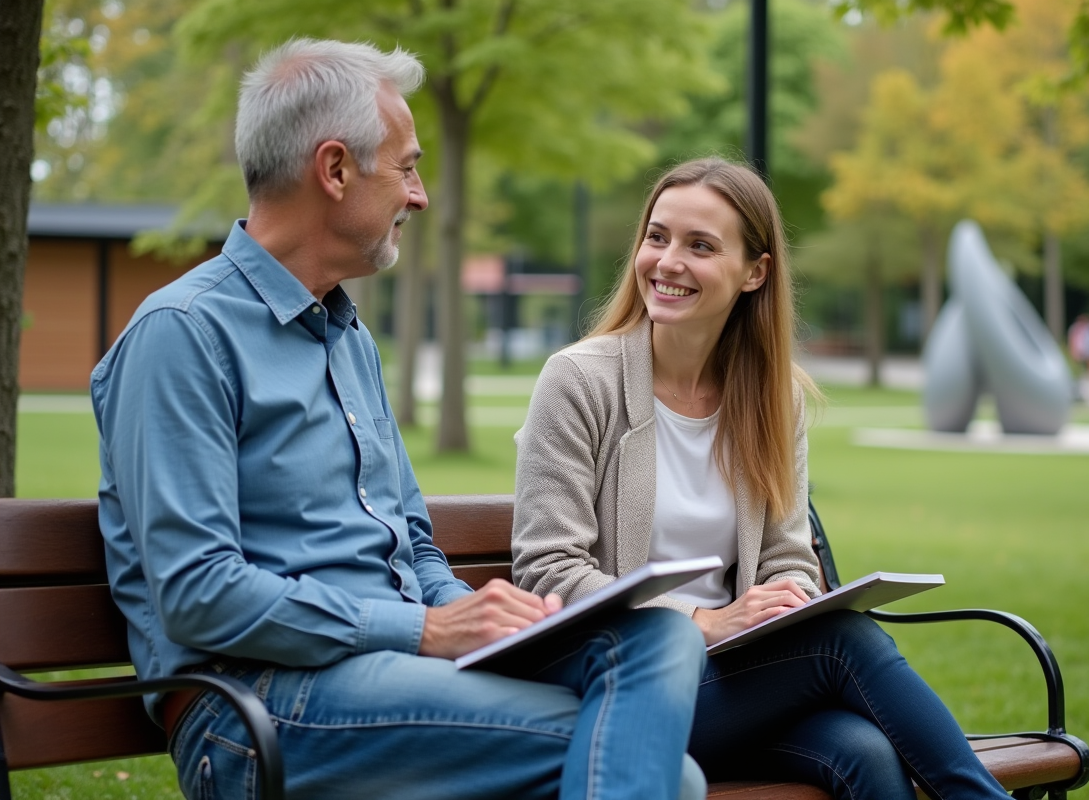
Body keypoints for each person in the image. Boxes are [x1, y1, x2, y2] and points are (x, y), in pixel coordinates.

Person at [91, 39, 708, 800]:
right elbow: (200, 594)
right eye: (407, 166)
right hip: (258, 710)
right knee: (663, 775)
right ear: (335, 169)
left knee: (658, 636)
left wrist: (480, 615)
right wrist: (425, 631)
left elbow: (410, 544)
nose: (419, 195)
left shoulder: (347, 337)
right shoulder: (183, 335)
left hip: (392, 679)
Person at [512, 157, 1013, 799]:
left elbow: (787, 556)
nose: (667, 262)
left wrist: (785, 603)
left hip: (734, 680)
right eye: (657, 237)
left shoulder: (774, 398)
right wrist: (701, 622)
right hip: (619, 683)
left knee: (865, 754)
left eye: (700, 246)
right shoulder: (579, 381)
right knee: (843, 642)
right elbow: (549, 569)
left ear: (755, 272)